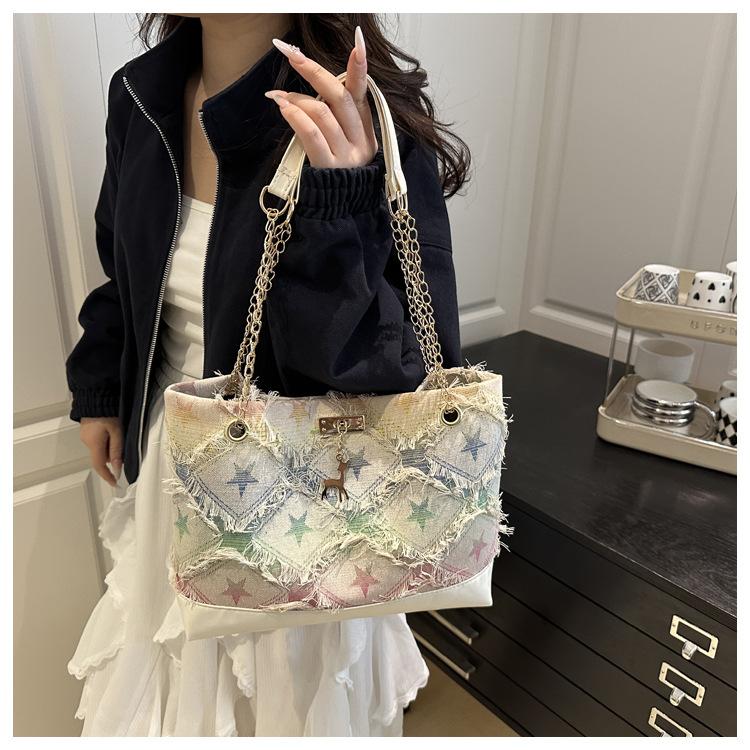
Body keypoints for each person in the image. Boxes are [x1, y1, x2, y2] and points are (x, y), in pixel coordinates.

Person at [64, 13, 469, 736]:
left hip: (306, 498)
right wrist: (100, 388)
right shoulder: (141, 94)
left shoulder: (368, 119)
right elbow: (120, 266)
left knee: (283, 703)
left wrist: (338, 207)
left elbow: (404, 365)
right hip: (172, 462)